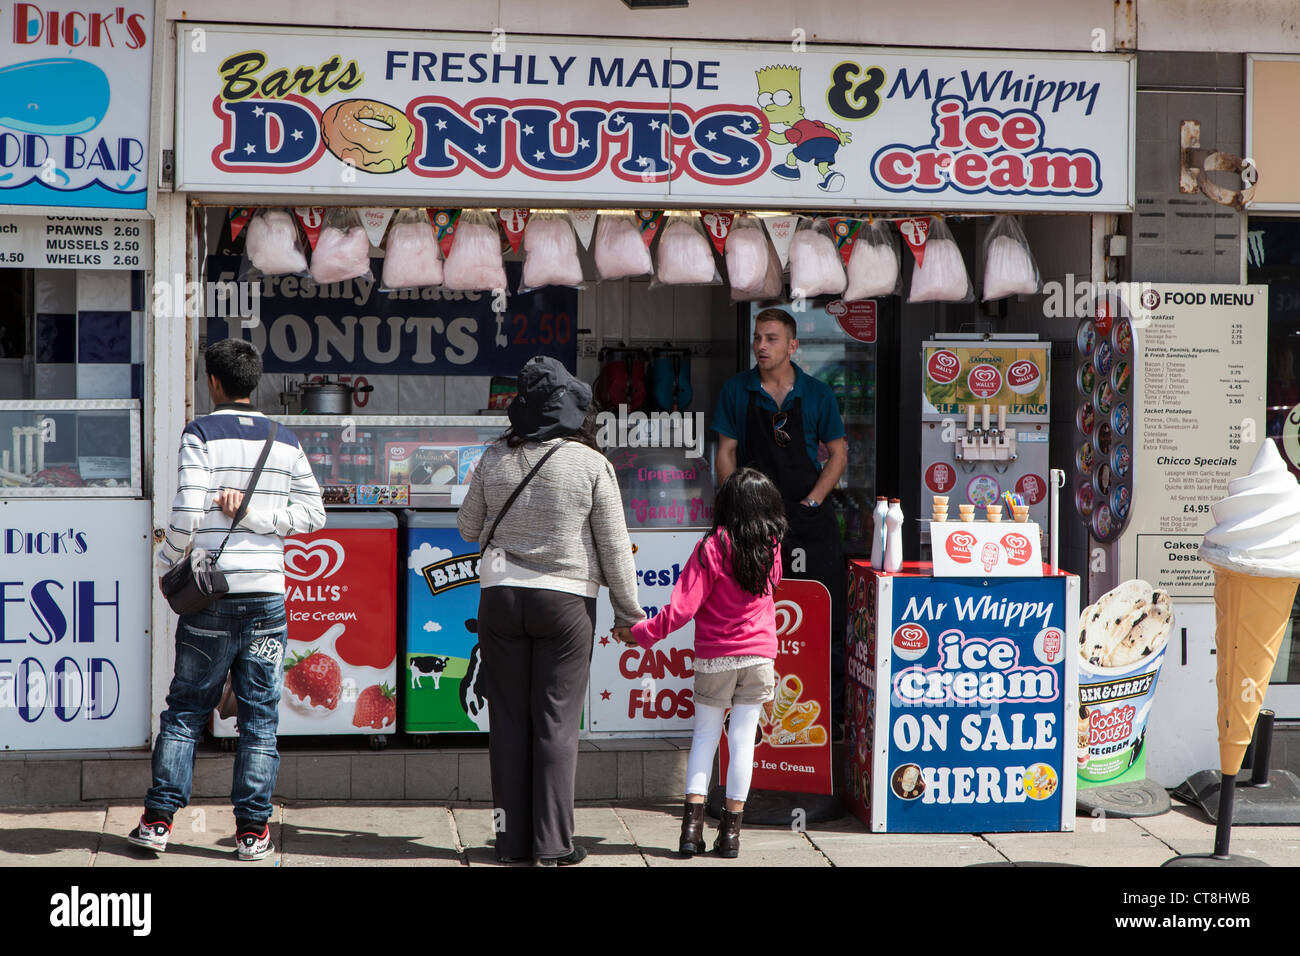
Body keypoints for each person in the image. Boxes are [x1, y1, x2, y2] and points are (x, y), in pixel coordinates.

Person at [128, 340, 325, 861]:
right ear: (253, 381)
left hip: (212, 599)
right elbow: (314, 515)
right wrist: (264, 517)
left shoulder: (200, 433)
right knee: (260, 718)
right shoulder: (285, 440)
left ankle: (158, 822)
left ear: (212, 382)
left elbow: (188, 511)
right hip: (267, 600)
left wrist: (166, 562)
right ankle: (253, 835)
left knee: (186, 710)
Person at [458, 356, 642, 866]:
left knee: (509, 722)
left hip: (499, 601)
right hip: (564, 604)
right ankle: (552, 844)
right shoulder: (590, 464)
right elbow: (613, 547)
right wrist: (630, 614)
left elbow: (468, 528)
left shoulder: (494, 456)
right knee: (555, 724)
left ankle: (511, 842)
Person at [620, 467, 786, 858]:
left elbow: (680, 610)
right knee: (743, 741)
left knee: (706, 737)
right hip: (759, 655)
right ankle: (730, 836)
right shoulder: (771, 545)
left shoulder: (712, 546)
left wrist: (640, 633)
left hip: (716, 657)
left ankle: (690, 832)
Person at [713, 308, 848, 730]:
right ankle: (747, 712)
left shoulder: (817, 393)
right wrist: (738, 510)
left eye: (771, 339)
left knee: (823, 614)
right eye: (757, 338)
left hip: (809, 521)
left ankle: (830, 712)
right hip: (754, 522)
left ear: (793, 346)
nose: (761, 346)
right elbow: (726, 454)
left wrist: (812, 501)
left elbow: (838, 454)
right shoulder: (738, 390)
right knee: (749, 614)